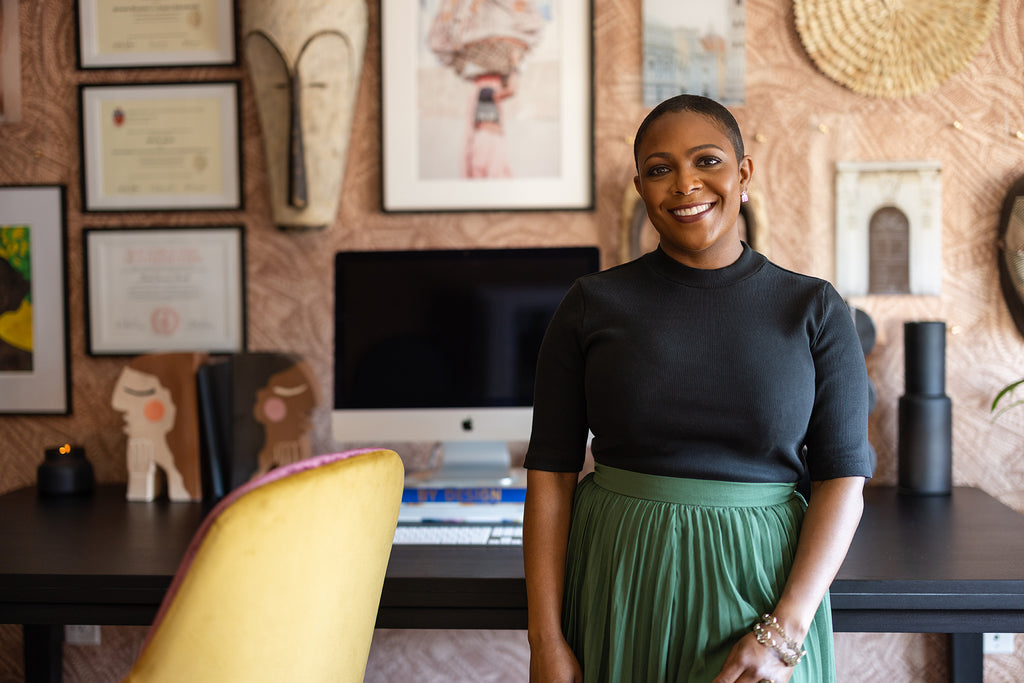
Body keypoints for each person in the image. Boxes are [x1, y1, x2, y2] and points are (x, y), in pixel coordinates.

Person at [522, 94, 872, 683]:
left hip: (764, 598)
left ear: (743, 174)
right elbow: (550, 477)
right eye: (660, 169)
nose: (685, 184)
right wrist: (546, 642)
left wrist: (781, 634)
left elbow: (844, 482)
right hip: (620, 583)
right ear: (641, 187)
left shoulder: (813, 309)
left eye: (706, 161)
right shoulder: (591, 304)